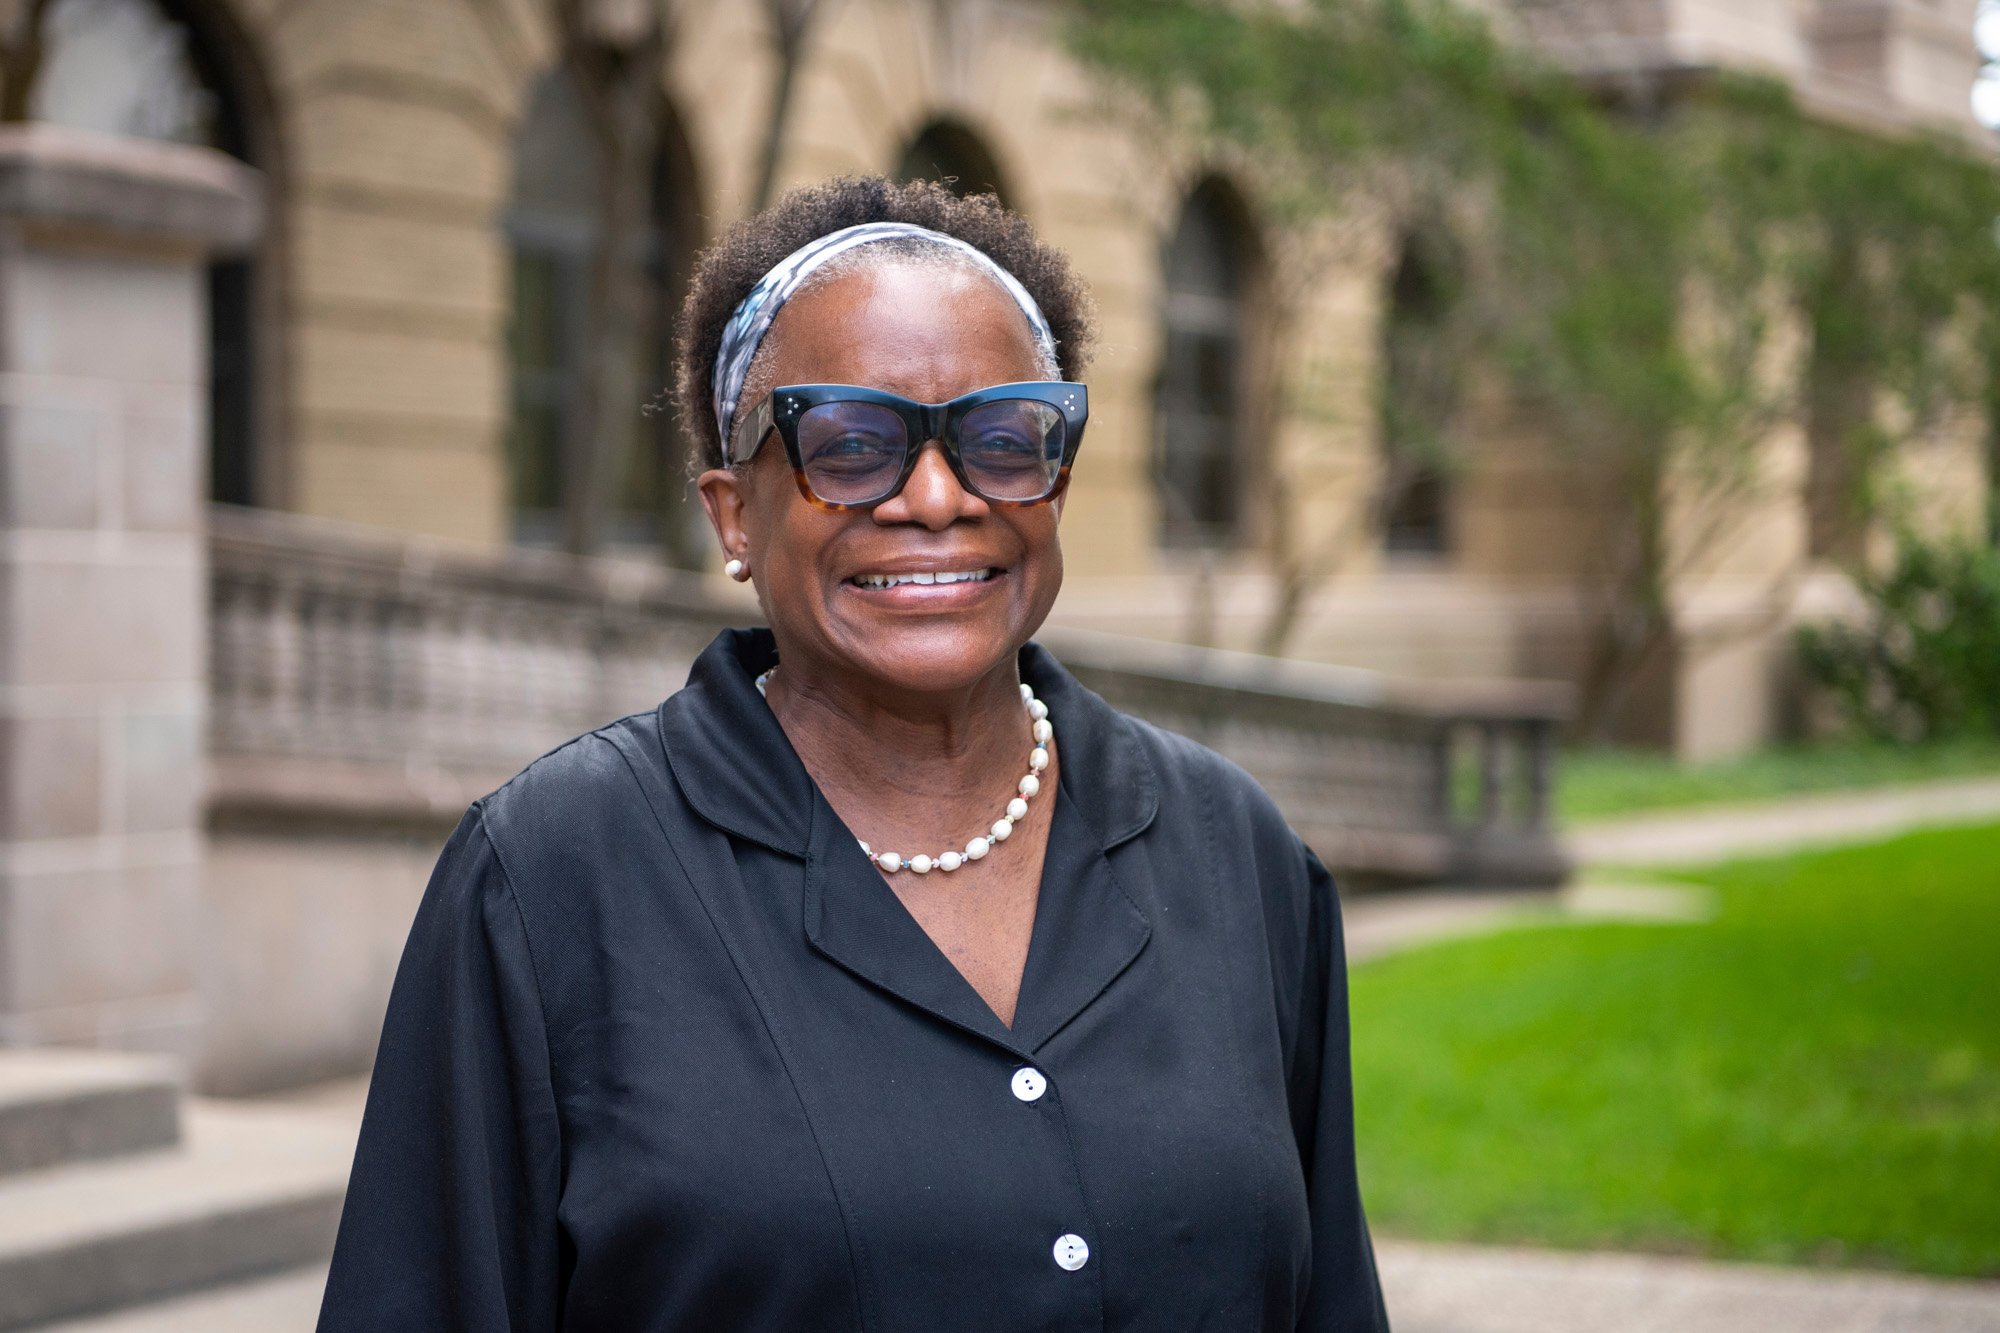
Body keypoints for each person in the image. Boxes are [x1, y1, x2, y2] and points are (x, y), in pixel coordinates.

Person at [317, 176, 1389, 1332]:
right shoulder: (547, 878)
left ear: (1054, 483)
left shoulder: (1232, 851)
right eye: (849, 444)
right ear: (734, 515)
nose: (935, 497)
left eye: (998, 439)